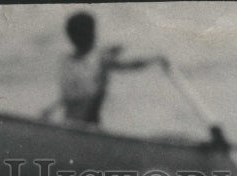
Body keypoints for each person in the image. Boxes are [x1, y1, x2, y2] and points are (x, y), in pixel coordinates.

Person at [40, 11, 168, 125]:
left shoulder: (101, 59)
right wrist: (51, 109)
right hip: (71, 123)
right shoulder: (67, 61)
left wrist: (154, 60)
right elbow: (72, 95)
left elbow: (129, 65)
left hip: (89, 123)